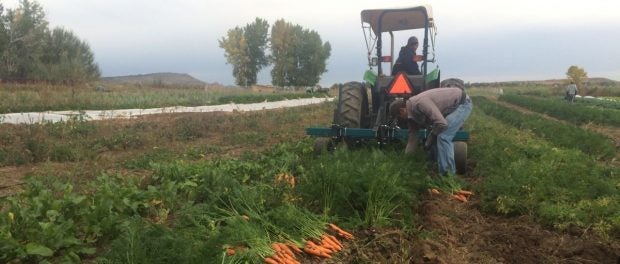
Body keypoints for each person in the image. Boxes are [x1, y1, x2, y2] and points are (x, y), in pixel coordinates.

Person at [399, 86, 473, 175]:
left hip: (462, 104)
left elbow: (442, 124)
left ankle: (448, 174)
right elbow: (412, 139)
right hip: (449, 108)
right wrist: (406, 161)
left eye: (399, 117)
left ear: (401, 110)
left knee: (443, 136)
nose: (402, 120)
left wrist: (432, 136)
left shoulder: (420, 103)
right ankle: (434, 165)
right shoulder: (412, 113)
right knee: (436, 133)